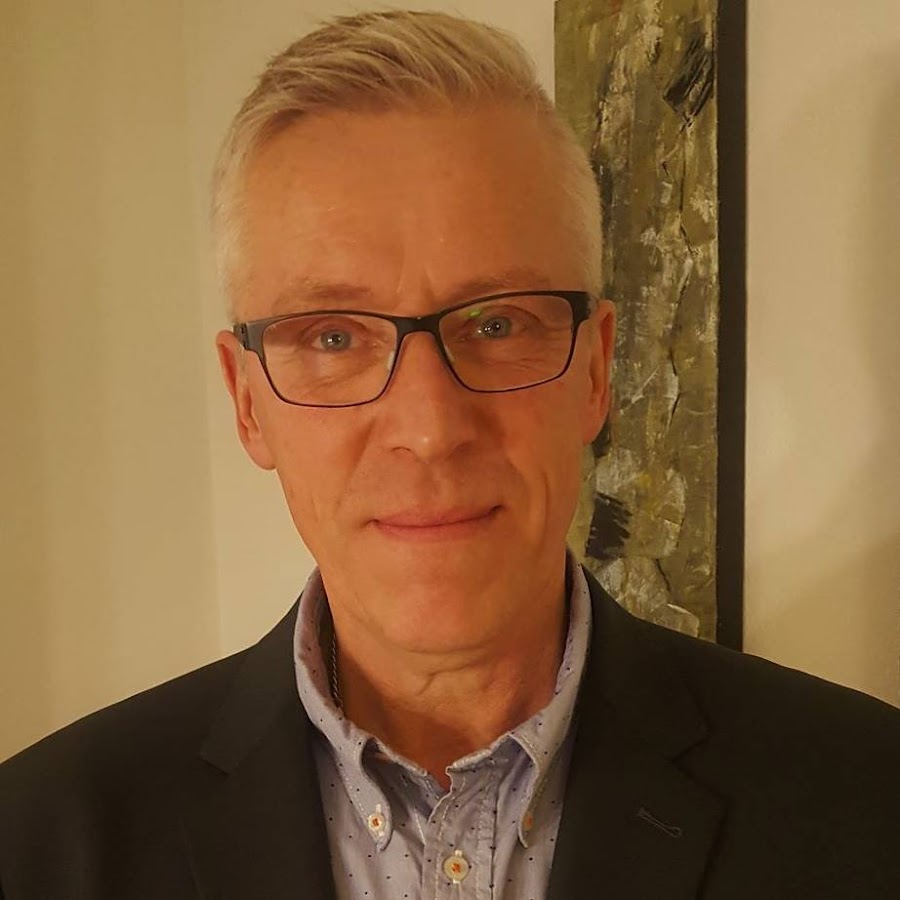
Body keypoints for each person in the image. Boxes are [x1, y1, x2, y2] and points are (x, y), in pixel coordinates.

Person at [1, 10, 899, 899]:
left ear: (595, 371)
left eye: (498, 323)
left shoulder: (869, 806)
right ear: (247, 401)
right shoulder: (39, 842)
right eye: (333, 337)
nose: (429, 427)